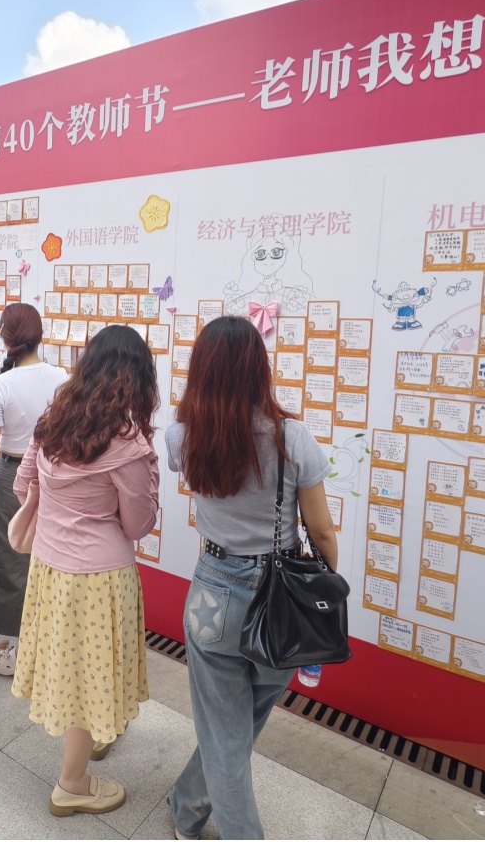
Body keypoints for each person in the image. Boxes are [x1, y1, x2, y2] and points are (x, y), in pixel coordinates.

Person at [166, 315, 340, 840]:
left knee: (227, 729)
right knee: (236, 728)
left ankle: (187, 807)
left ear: (201, 370)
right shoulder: (292, 437)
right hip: (282, 598)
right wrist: (323, 592)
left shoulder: (183, 436)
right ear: (258, 369)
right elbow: (321, 531)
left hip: (213, 593)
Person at [9, 324, 160, 818]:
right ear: (137, 379)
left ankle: (93, 735)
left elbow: (23, 485)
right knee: (87, 671)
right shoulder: (127, 443)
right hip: (99, 577)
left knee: (75, 665)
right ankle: (71, 784)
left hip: (50, 566)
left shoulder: (53, 421)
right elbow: (138, 524)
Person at [0, 302, 67, 675]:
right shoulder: (62, 377)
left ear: (4, 337)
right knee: (51, 557)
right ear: (39, 335)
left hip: (12, 474)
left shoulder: (1, 384)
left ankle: (21, 650)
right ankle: (48, 641)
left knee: (11, 558)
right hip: (54, 477)